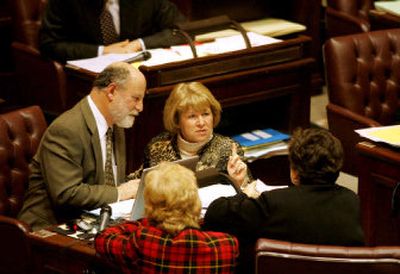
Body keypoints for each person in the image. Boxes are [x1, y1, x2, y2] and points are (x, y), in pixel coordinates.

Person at [203, 128, 365, 271]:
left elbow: (214, 214)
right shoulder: (353, 202)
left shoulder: (273, 203)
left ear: (295, 173)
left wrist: (244, 192)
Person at [18, 62, 146, 231]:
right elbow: (67, 193)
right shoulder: (67, 129)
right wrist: (120, 193)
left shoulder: (117, 123)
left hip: (96, 220)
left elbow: (111, 183)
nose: (140, 107)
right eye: (136, 98)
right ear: (112, 91)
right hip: (52, 227)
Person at [95, 161, 239, 273]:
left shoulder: (142, 241)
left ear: (150, 206)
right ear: (195, 201)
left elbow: (102, 238)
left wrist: (144, 222)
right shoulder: (227, 245)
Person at [127, 81, 252, 189]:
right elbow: (136, 185)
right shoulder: (157, 147)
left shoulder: (228, 149)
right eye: (192, 116)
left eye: (205, 114)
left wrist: (238, 182)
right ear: (177, 120)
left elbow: (250, 194)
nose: (201, 123)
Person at [40, 0, 187, 63]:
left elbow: (180, 30)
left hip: (139, 72)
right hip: (87, 79)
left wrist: (139, 44)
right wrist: (102, 51)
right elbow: (49, 45)